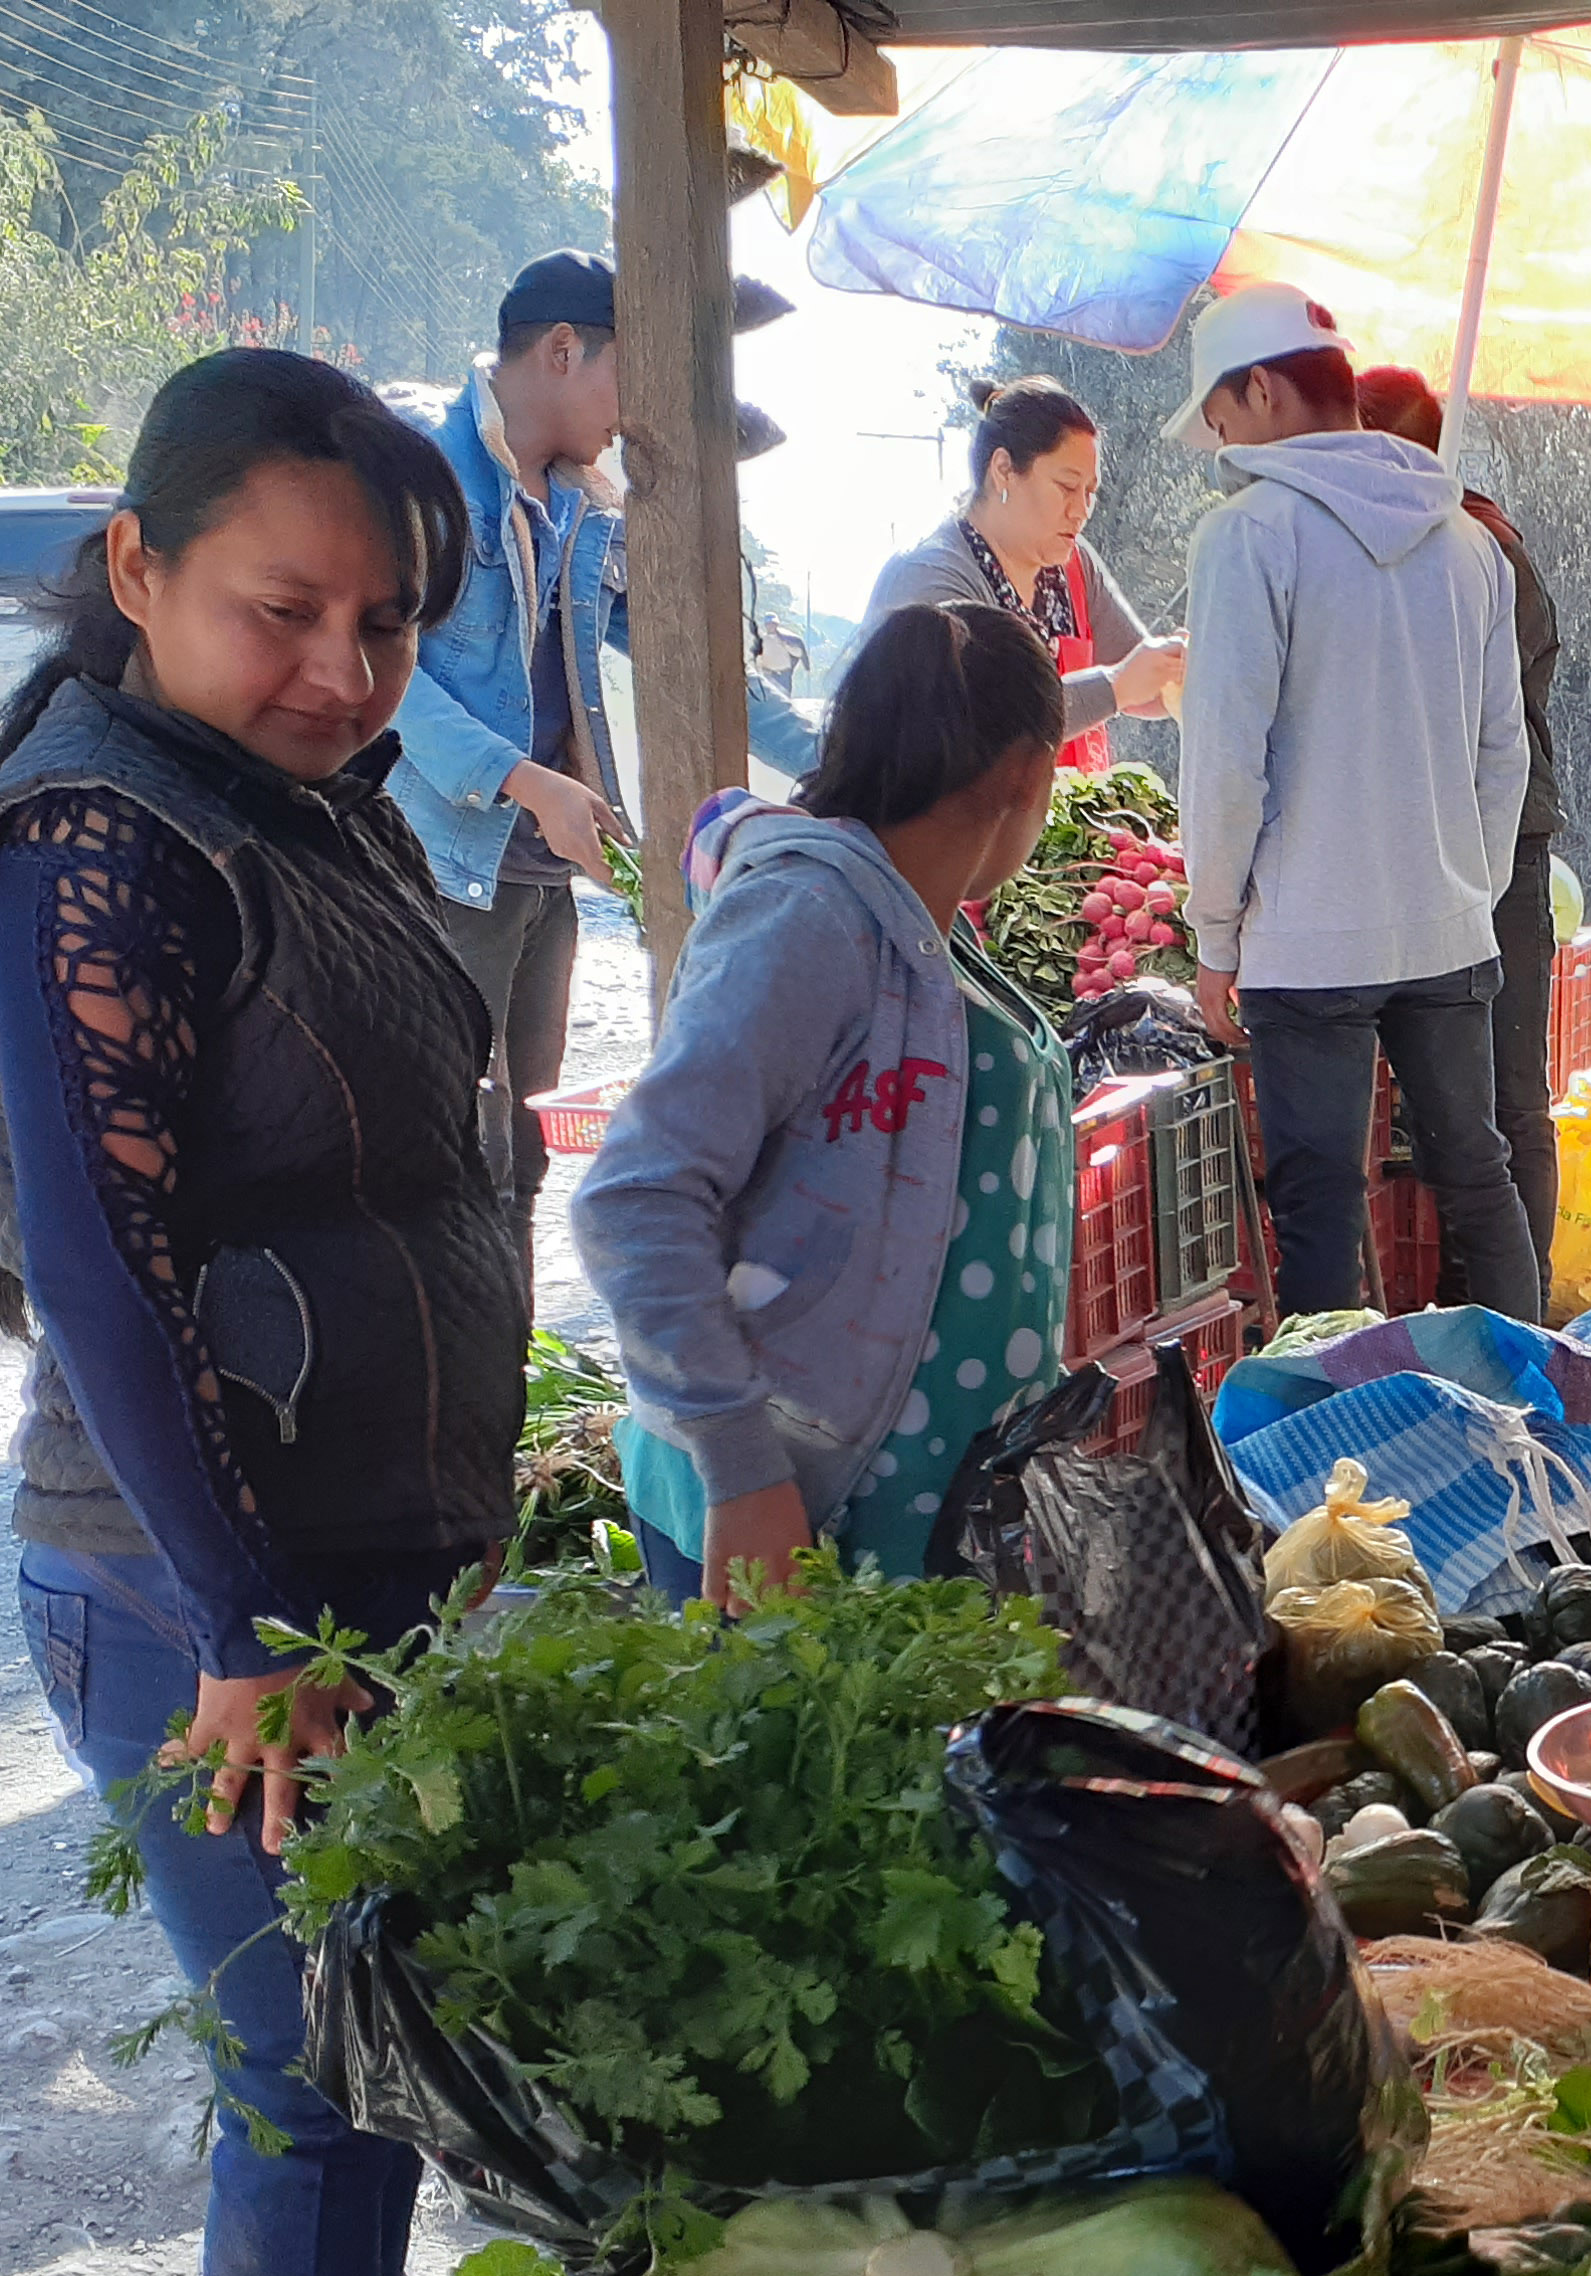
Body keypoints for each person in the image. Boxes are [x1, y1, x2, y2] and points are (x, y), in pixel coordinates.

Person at [0, 348, 518, 2276]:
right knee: (312, 2091)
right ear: (137, 570)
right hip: (210, 1596)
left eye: (387, 623)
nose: (342, 671)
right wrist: (253, 1626)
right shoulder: (99, 838)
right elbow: (99, 1264)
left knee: (394, 2065)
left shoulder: (279, 803)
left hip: (345, 1573)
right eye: (284, 610)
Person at [574, 602, 1077, 1610]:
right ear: (1030, 775)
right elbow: (635, 1198)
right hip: (783, 1510)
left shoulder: (917, 924)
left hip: (903, 1503)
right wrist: (743, 1468)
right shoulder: (808, 921)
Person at [385, 252, 823, 1273]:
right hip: (449, 861)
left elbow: (692, 659)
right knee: (452, 1150)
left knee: (522, 1154)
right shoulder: (426, 470)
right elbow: (386, 674)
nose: (636, 418)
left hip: (542, 875)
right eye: (633, 379)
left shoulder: (586, 502)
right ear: (561, 350)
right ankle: (453, 1397)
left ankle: (502, 1399)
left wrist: (846, 755)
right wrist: (524, 780)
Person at [1171, 282, 1541, 1326]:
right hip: (1448, 928)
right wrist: (1469, 886)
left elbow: (1225, 760)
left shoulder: (1248, 537)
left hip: (1307, 940)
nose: (1218, 434)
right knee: (1477, 1176)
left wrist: (1213, 932)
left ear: (1261, 392)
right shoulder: (1468, 542)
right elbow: (1501, 754)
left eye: (1220, 411)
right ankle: (1538, 1418)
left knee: (1321, 1202)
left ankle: (1328, 1466)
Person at [1355, 364, 1569, 1296]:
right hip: (1423, 855)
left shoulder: (1483, 550)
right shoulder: (1402, 548)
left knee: (1510, 1097)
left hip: (1500, 847)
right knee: (1462, 1112)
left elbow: (1490, 722)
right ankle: (1459, 1303)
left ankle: (1518, 1326)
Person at [863, 375, 1185, 769]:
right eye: (1067, 487)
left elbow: (1143, 682)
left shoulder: (1075, 566)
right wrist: (1114, 686)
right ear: (1003, 470)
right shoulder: (931, 577)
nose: (1082, 511)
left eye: (1091, 492)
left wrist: (1179, 668)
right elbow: (976, 725)